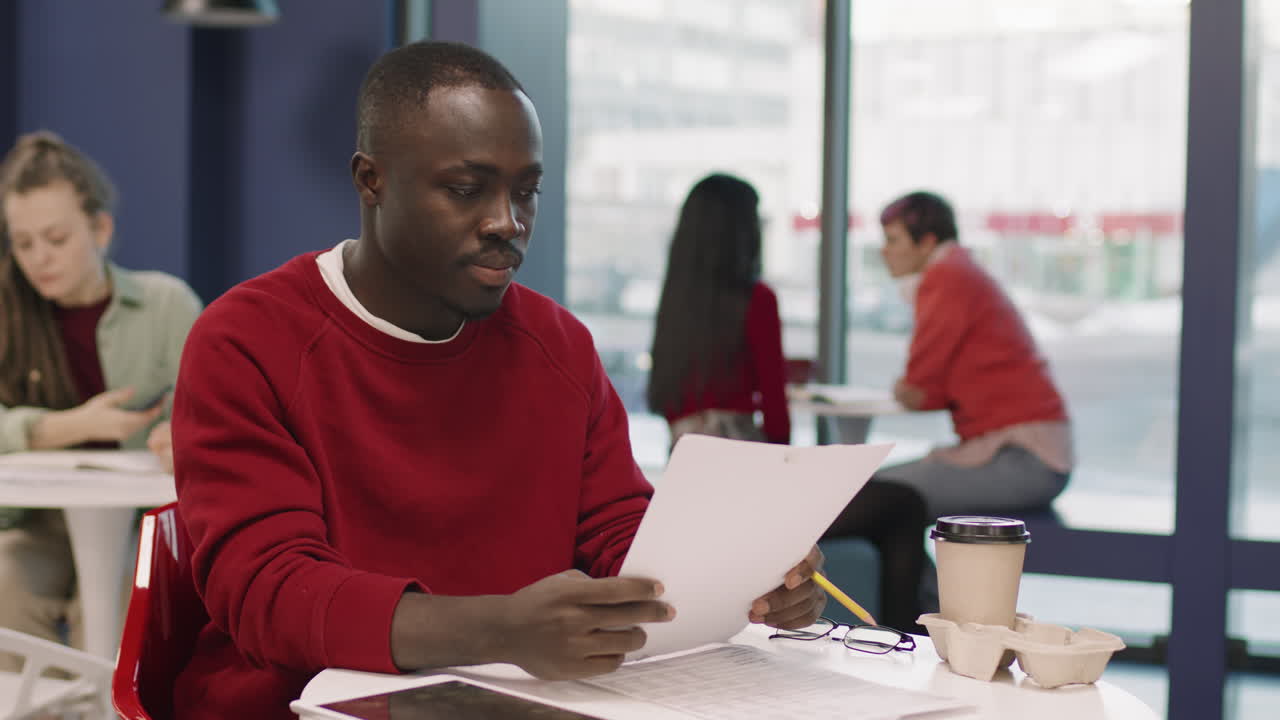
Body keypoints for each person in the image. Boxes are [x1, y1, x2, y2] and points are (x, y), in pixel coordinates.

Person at [169, 41, 826, 720]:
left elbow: (616, 530)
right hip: (302, 705)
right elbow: (269, 592)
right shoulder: (247, 339)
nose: (506, 222)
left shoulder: (558, 345)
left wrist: (739, 574)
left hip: (521, 700)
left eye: (525, 191)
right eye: (465, 189)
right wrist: (501, 629)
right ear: (372, 180)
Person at [647, 173, 931, 634]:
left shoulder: (677, 304)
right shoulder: (757, 299)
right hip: (754, 500)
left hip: (695, 501)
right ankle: (905, 639)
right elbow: (777, 426)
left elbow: (671, 397)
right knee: (904, 505)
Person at [0, 131, 202, 668]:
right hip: (33, 525)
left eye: (56, 238)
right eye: (23, 244)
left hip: (140, 524)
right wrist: (65, 426)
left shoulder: (165, 304)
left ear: (101, 229)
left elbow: (215, 417)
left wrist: (181, 438)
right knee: (5, 584)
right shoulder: (6, 315)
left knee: (118, 614)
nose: (40, 258)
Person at [872, 191, 1073, 518]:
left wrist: (907, 388)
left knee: (879, 498)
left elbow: (919, 390)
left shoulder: (946, 277)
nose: (884, 251)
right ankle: (918, 572)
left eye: (893, 240)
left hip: (1024, 458)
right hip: (1031, 453)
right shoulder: (960, 270)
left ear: (926, 243)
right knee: (878, 494)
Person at [647, 173, 789, 445]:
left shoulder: (677, 297)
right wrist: (783, 454)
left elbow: (666, 389)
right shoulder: (758, 299)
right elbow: (774, 399)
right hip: (740, 451)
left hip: (682, 448)